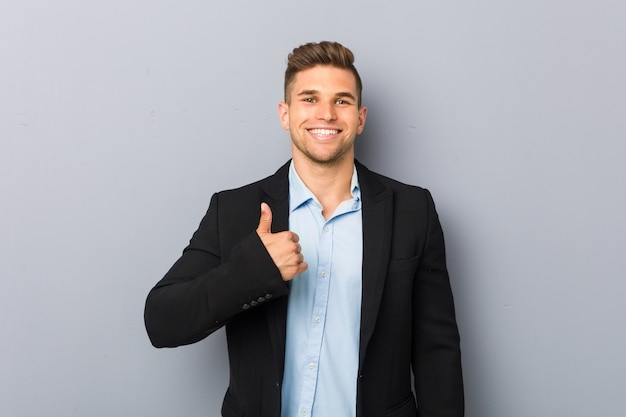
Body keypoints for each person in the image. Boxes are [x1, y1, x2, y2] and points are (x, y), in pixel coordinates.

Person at [144, 41, 464, 417]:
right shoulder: (233, 211)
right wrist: (253, 271)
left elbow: (437, 351)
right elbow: (161, 321)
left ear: (360, 118)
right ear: (285, 113)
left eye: (341, 101)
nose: (326, 114)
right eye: (309, 99)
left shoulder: (412, 210)